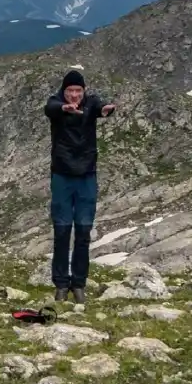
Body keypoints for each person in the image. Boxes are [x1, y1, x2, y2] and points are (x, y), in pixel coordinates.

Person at [45, 67, 116, 303]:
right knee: (62, 229)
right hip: (62, 175)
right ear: (63, 91)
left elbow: (100, 106)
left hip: (87, 174)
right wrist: (64, 108)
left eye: (78, 90)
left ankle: (79, 283)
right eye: (70, 91)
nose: (74, 95)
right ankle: (61, 284)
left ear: (83, 91)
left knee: (84, 230)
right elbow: (50, 108)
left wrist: (106, 110)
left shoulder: (91, 103)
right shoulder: (57, 103)